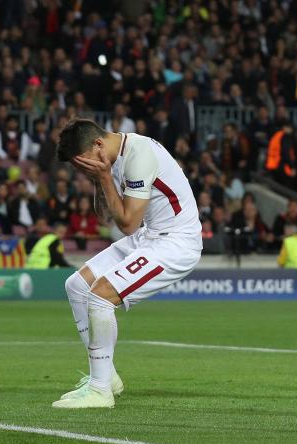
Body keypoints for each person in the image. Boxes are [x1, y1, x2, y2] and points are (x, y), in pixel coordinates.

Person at [52, 118, 202, 408]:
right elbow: (106, 216)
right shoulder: (112, 156)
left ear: (97, 144)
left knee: (100, 297)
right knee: (76, 286)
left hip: (176, 241)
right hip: (152, 235)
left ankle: (99, 390)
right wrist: (100, 178)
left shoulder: (139, 155)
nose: (82, 170)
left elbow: (128, 223)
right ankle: (107, 377)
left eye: (82, 164)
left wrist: (105, 178)